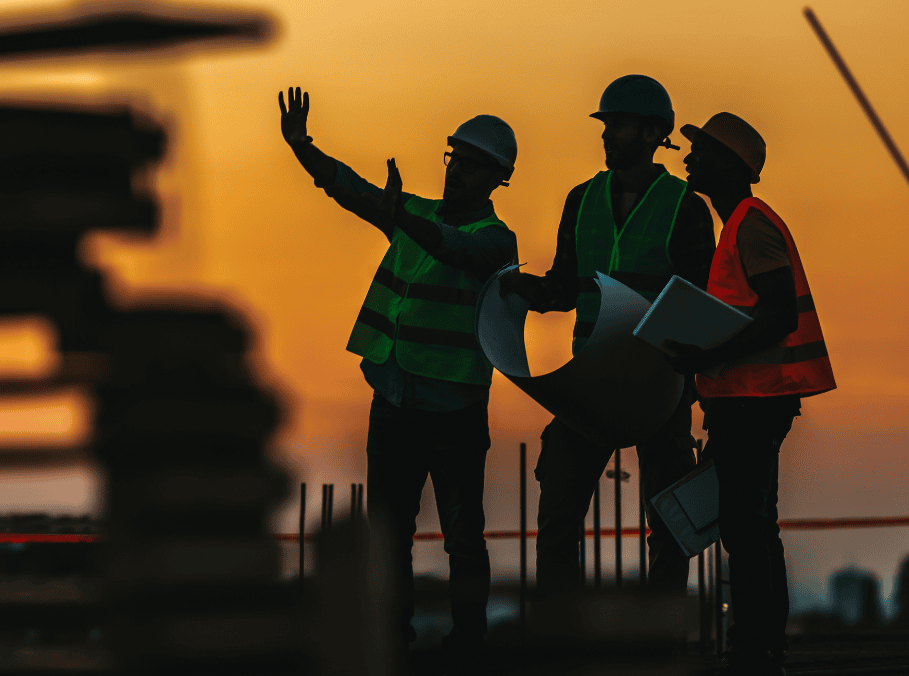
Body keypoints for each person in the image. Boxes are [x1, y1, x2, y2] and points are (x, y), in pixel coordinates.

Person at [278, 87, 518, 670]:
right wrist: (303, 147)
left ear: (495, 178)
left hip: (454, 408)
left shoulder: (497, 240)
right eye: (452, 158)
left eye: (469, 163)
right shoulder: (413, 214)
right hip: (395, 397)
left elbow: (458, 250)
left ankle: (468, 642)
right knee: (389, 533)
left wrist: (401, 215)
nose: (456, 170)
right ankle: (392, 636)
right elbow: (352, 190)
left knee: (463, 535)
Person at [500, 74, 715, 601]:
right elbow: (568, 284)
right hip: (592, 382)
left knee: (668, 524)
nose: (607, 134)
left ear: (651, 133)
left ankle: (658, 641)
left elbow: (701, 306)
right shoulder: (582, 200)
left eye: (617, 124)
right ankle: (562, 640)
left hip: (659, 385)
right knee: (557, 518)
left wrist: (690, 385)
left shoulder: (683, 206)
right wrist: (526, 291)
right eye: (607, 124)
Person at [664, 112, 836, 675]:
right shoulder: (737, 225)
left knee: (747, 525)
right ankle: (761, 644)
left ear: (729, 165)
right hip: (745, 400)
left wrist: (706, 357)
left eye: (700, 151)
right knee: (754, 524)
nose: (688, 160)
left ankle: (755, 646)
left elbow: (778, 313)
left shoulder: (750, 225)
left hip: (755, 402)